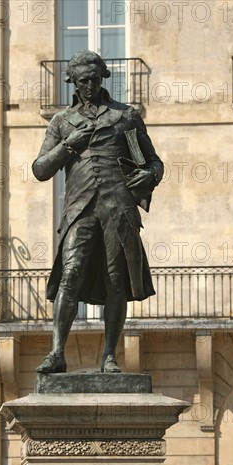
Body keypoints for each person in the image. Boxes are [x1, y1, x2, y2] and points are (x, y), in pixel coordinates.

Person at [32, 50, 164, 374]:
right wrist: (68, 145)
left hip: (118, 208)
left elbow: (153, 162)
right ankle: (57, 352)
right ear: (73, 83)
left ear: (103, 78)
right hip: (79, 209)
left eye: (94, 78)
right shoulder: (62, 122)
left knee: (115, 280)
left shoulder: (125, 117)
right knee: (71, 271)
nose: (89, 85)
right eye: (83, 80)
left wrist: (151, 174)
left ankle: (109, 357)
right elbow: (39, 169)